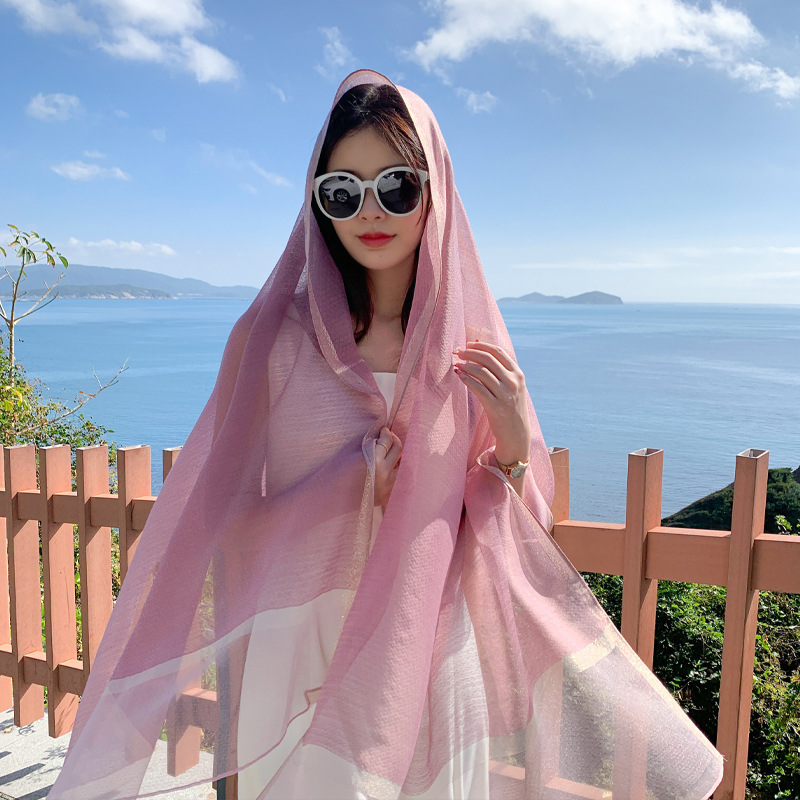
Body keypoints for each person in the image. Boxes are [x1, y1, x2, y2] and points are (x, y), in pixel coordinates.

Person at [47, 69, 724, 800]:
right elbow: (227, 520)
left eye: (397, 186)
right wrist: (350, 489)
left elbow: (520, 526)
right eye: (342, 191)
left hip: (424, 638)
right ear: (317, 203)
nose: (370, 210)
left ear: (436, 190)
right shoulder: (272, 339)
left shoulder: (470, 344)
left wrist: (510, 441)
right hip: (305, 636)